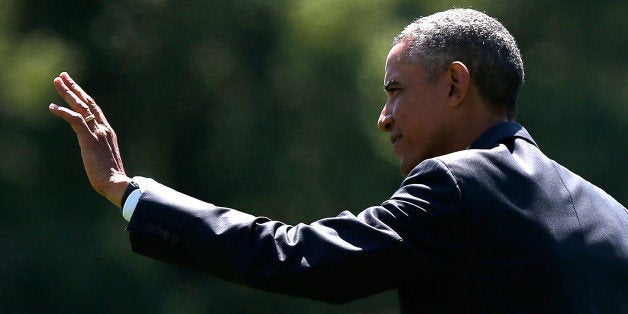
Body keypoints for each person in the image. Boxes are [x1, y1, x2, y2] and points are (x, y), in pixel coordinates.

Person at [49, 8, 627, 314]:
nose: (384, 117)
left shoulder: (456, 186)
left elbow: (294, 256)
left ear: (455, 85)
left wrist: (129, 194)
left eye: (395, 90)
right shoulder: (613, 216)